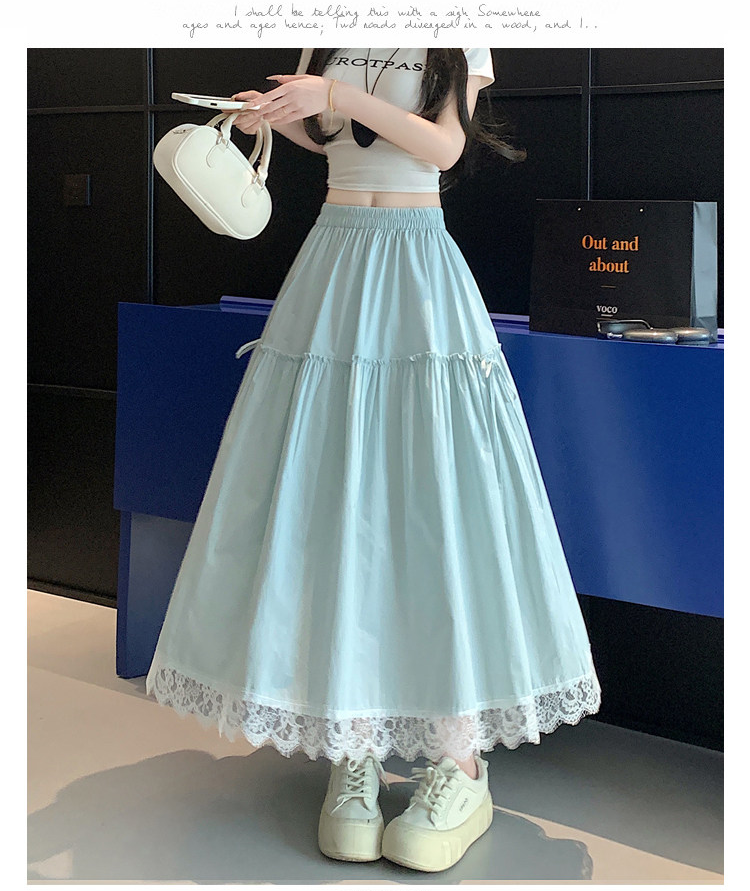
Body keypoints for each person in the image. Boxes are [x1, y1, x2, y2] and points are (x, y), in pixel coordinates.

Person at [145, 48, 602, 873]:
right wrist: (280, 116)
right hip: (334, 258)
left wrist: (333, 91)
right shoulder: (325, 19)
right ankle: (350, 743)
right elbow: (334, 134)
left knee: (438, 502)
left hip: (418, 262)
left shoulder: (454, 27)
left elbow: (444, 146)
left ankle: (460, 762)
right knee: (330, 498)